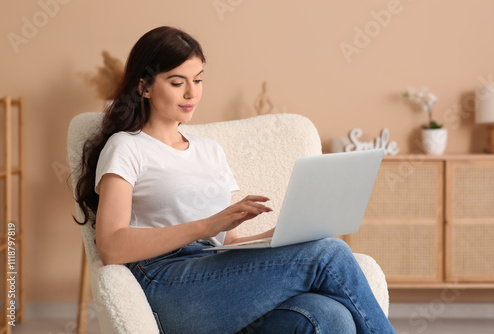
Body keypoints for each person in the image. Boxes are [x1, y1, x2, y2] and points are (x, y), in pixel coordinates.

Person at [74, 26, 396, 334]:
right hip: (165, 284)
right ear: (144, 87)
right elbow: (112, 246)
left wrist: (284, 235)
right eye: (176, 82)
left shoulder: (209, 151)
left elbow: (227, 246)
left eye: (197, 80)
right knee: (330, 253)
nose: (191, 93)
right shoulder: (127, 147)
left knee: (330, 316)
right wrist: (207, 225)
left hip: (216, 278)